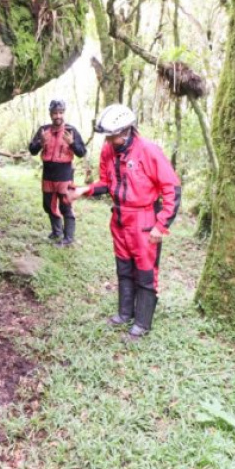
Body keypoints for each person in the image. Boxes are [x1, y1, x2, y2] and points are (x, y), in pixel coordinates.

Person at [68, 104, 181, 340]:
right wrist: (84, 190)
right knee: (124, 268)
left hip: (144, 219)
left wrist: (161, 225)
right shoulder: (108, 150)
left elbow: (172, 188)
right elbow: (106, 183)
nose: (108, 141)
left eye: (112, 136)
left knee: (146, 272)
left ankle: (142, 323)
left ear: (126, 131)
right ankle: (124, 313)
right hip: (119, 218)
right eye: (107, 137)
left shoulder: (148, 151)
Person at [28, 99, 87, 246]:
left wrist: (72, 143)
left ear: (64, 113)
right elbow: (32, 150)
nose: (58, 116)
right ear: (50, 114)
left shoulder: (71, 130)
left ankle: (68, 238)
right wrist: (40, 143)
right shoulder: (43, 130)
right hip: (48, 172)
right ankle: (57, 232)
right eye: (55, 113)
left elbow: (82, 152)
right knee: (48, 205)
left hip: (64, 173)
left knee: (65, 205)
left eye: (60, 112)